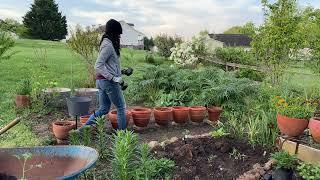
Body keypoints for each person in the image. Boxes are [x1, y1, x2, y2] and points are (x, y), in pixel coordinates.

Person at [83, 19, 127, 130]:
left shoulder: (107, 43)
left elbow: (109, 66)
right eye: (118, 34)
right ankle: (122, 137)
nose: (119, 37)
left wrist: (122, 71)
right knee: (121, 107)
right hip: (108, 82)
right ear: (113, 32)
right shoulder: (108, 45)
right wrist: (114, 78)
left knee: (104, 109)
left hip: (101, 81)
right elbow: (98, 65)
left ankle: (82, 131)